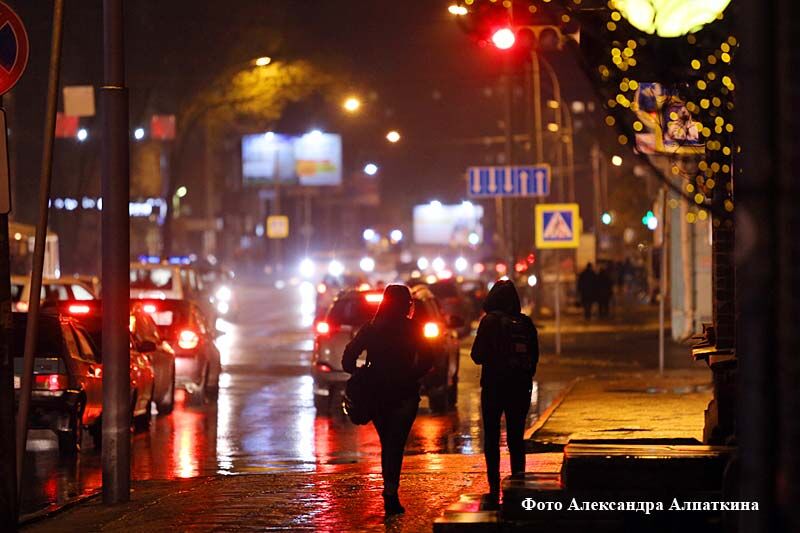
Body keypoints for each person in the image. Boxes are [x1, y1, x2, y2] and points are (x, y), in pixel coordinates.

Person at [341, 284, 432, 516]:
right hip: (404, 393)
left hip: (378, 393)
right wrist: (412, 374)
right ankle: (391, 493)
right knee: (396, 444)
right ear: (406, 304)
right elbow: (429, 358)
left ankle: (390, 492)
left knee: (387, 442)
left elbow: (348, 358)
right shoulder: (414, 328)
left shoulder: (372, 328)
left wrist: (359, 372)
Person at [471, 280, 539, 503]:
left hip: (494, 387)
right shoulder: (525, 323)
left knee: (491, 436)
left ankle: (493, 485)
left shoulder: (489, 322)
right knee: (515, 437)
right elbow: (534, 358)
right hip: (519, 386)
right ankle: (518, 482)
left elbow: (476, 355)